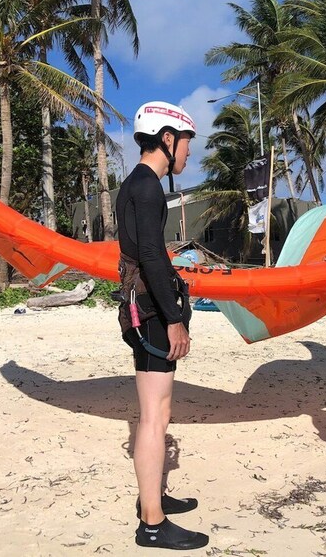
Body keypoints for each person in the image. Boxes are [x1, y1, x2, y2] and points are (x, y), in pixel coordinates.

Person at [116, 101, 208, 551]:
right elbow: (152, 256)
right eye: (187, 143)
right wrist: (175, 321)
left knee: (153, 412)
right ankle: (151, 523)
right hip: (152, 314)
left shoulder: (132, 184)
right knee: (156, 415)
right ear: (168, 139)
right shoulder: (150, 188)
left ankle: (153, 498)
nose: (189, 154)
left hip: (139, 309)